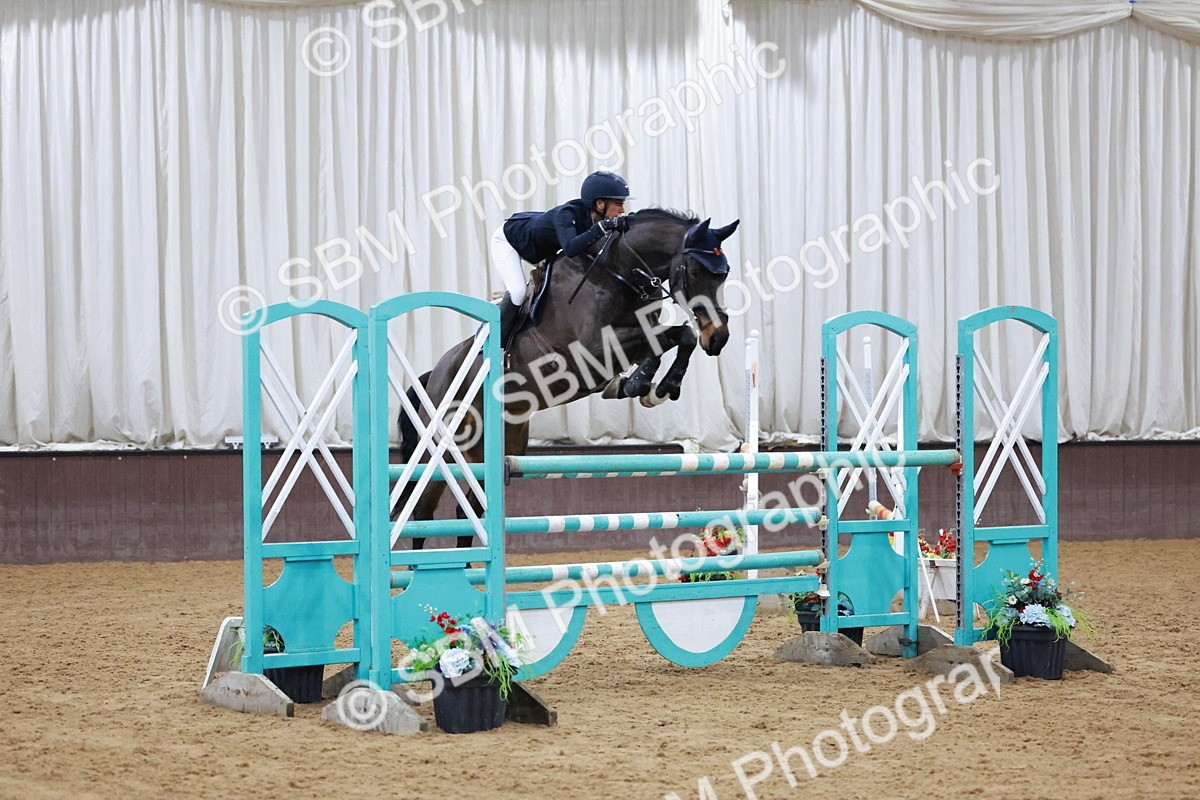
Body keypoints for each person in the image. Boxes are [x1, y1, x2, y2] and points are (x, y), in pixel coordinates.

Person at [491, 170, 631, 344]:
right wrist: (603, 227)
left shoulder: (594, 220)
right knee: (518, 292)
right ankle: (496, 341)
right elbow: (571, 248)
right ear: (600, 204)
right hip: (509, 240)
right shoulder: (567, 214)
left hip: (541, 248)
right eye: (618, 203)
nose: (622, 209)